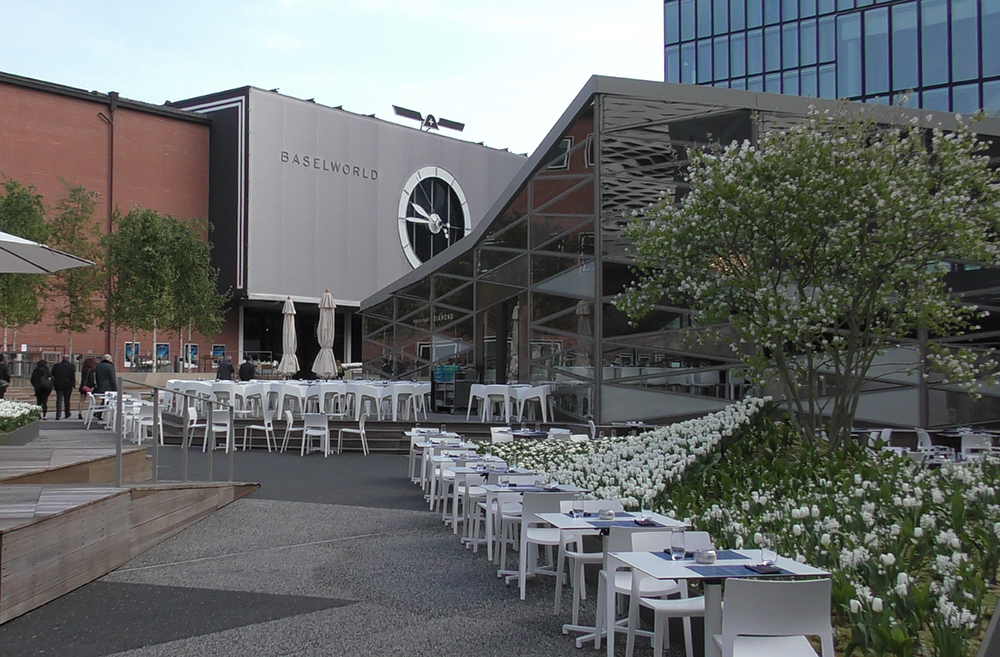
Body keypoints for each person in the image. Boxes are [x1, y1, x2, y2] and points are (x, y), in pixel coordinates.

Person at [51, 355, 75, 420]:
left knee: (59, 400)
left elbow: (53, 374)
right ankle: (67, 413)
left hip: (58, 385)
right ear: (68, 359)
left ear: (62, 358)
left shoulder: (56, 366)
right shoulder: (71, 366)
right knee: (67, 400)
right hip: (68, 385)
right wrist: (73, 384)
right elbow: (72, 376)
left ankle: (58, 415)